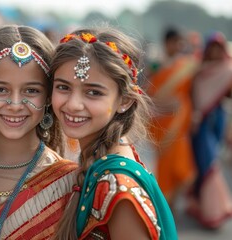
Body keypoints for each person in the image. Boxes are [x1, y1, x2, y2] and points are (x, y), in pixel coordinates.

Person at [50, 28, 177, 240]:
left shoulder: (119, 191)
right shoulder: (106, 159)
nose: (73, 104)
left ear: (125, 100)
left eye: (93, 92)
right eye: (63, 87)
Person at [0, 25, 78, 239]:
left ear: (49, 97)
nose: (15, 104)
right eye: (0, 89)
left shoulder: (70, 182)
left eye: (31, 91)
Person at [145, 27, 198, 206]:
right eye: (174, 42)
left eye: (179, 42)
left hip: (179, 121)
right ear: (167, 43)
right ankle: (166, 205)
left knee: (181, 168)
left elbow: (192, 93)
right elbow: (149, 93)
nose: (177, 46)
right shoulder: (156, 66)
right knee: (165, 166)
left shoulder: (187, 66)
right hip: (161, 121)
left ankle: (171, 204)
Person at [186, 31, 232, 229]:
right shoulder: (198, 70)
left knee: (210, 161)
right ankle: (202, 206)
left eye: (217, 48)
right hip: (198, 122)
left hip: (216, 120)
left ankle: (213, 209)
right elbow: (189, 93)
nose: (214, 52)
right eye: (211, 48)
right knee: (201, 163)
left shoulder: (227, 70)